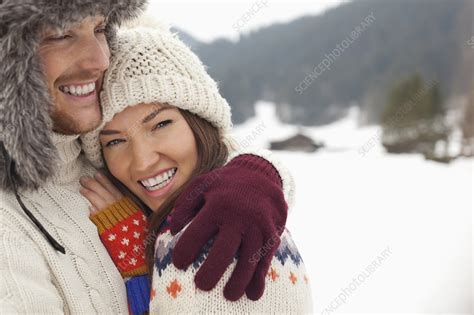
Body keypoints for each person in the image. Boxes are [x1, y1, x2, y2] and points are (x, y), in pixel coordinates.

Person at [0, 1, 295, 313]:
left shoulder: (100, 155)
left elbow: (205, 153)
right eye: (61, 34)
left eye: (100, 28)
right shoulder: (10, 229)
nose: (100, 60)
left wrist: (256, 173)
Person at [79, 24, 312, 314]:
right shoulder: (182, 225)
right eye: (115, 141)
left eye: (161, 124)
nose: (142, 161)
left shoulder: (221, 233)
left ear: (200, 121)